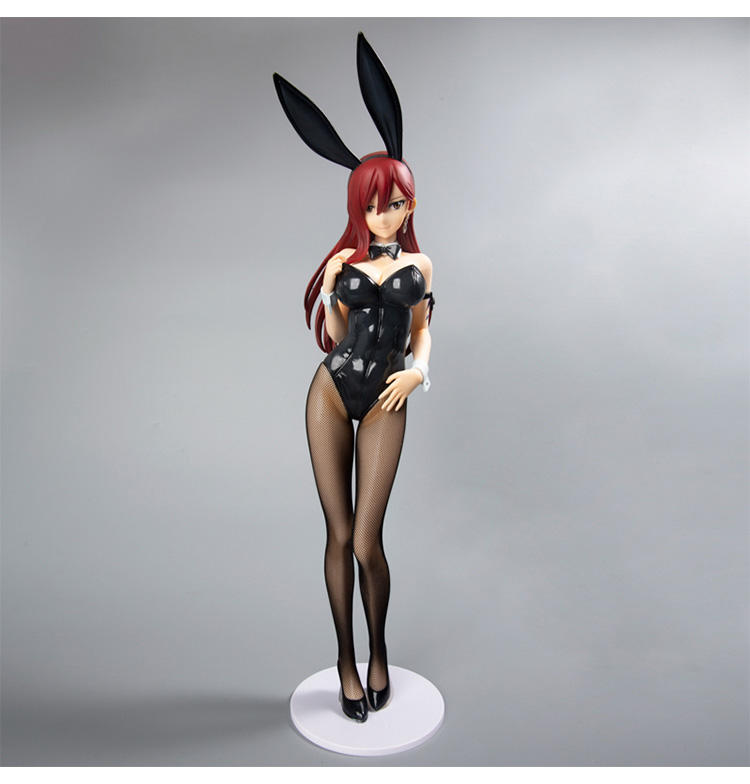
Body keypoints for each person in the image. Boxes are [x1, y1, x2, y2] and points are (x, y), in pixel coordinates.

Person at [274, 33, 434, 723]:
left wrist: (419, 373)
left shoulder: (420, 268)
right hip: (332, 392)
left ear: (408, 202)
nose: (384, 215)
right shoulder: (347, 262)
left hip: (389, 395)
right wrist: (336, 287)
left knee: (369, 541)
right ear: (357, 210)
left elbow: (421, 330)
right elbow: (339, 340)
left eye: (393, 202)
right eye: (372, 206)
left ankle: (379, 653)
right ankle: (346, 659)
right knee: (338, 536)